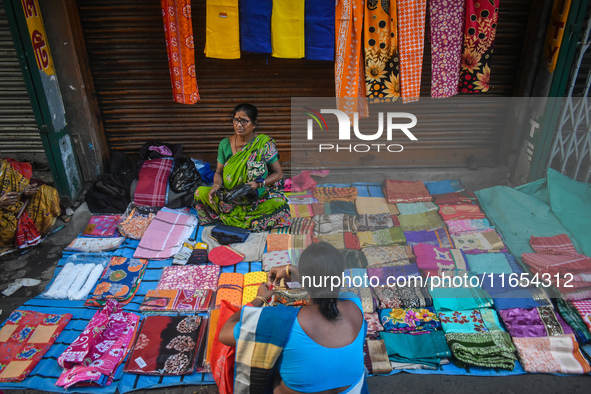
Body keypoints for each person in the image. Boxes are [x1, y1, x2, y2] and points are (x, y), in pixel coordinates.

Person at [219, 242, 368, 393]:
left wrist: (259, 299)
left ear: (303, 283)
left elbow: (224, 334)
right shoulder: (354, 303)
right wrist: (293, 270)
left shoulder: (280, 321)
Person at [194, 103, 290, 232]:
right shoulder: (225, 144)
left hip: (257, 200)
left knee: (280, 205)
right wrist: (216, 186)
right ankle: (244, 219)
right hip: (230, 199)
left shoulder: (263, 144)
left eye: (244, 121)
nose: (239, 125)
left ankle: (233, 219)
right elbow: (219, 172)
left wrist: (258, 183)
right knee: (200, 193)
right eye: (236, 120)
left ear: (254, 124)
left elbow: (278, 173)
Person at [0, 157, 61, 248]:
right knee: (7, 231)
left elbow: (23, 187)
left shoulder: (9, 167)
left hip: (18, 207)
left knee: (47, 192)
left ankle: (37, 232)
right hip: (3, 218)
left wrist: (26, 192)